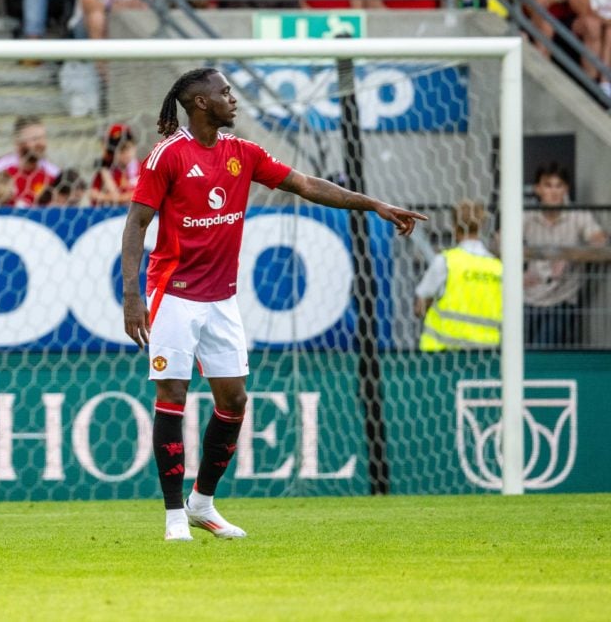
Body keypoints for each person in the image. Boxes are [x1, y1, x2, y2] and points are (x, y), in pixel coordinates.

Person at [120, 68, 426, 541]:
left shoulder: (244, 154)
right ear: (200, 103)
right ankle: (174, 517)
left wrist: (375, 205)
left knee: (235, 399)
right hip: (174, 294)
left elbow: (307, 185)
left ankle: (202, 503)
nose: (232, 99)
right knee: (173, 397)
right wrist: (132, 295)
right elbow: (137, 223)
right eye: (224, 92)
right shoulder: (168, 157)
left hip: (222, 298)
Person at [523, 162, 608, 346]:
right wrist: (517, 274)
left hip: (561, 301)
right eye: (547, 185)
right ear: (538, 189)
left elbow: (599, 238)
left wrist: (569, 255)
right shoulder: (527, 216)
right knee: (520, 353)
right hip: (528, 298)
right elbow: (499, 241)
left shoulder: (578, 215)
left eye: (558, 185)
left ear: (566, 189)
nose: (553, 191)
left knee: (543, 352)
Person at [415, 201, 502, 351]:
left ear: (454, 227)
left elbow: (419, 307)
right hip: (487, 352)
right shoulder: (498, 268)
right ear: (481, 226)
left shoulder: (446, 262)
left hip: (443, 353)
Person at [0, 114, 61, 206]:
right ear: (18, 143)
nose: (41, 143)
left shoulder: (54, 174)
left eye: (43, 138)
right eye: (35, 139)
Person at [90, 122, 138, 206]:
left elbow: (137, 197)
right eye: (119, 149)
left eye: (127, 148)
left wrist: (114, 198)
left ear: (134, 146)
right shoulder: (106, 171)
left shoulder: (144, 168)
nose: (125, 153)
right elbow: (93, 195)